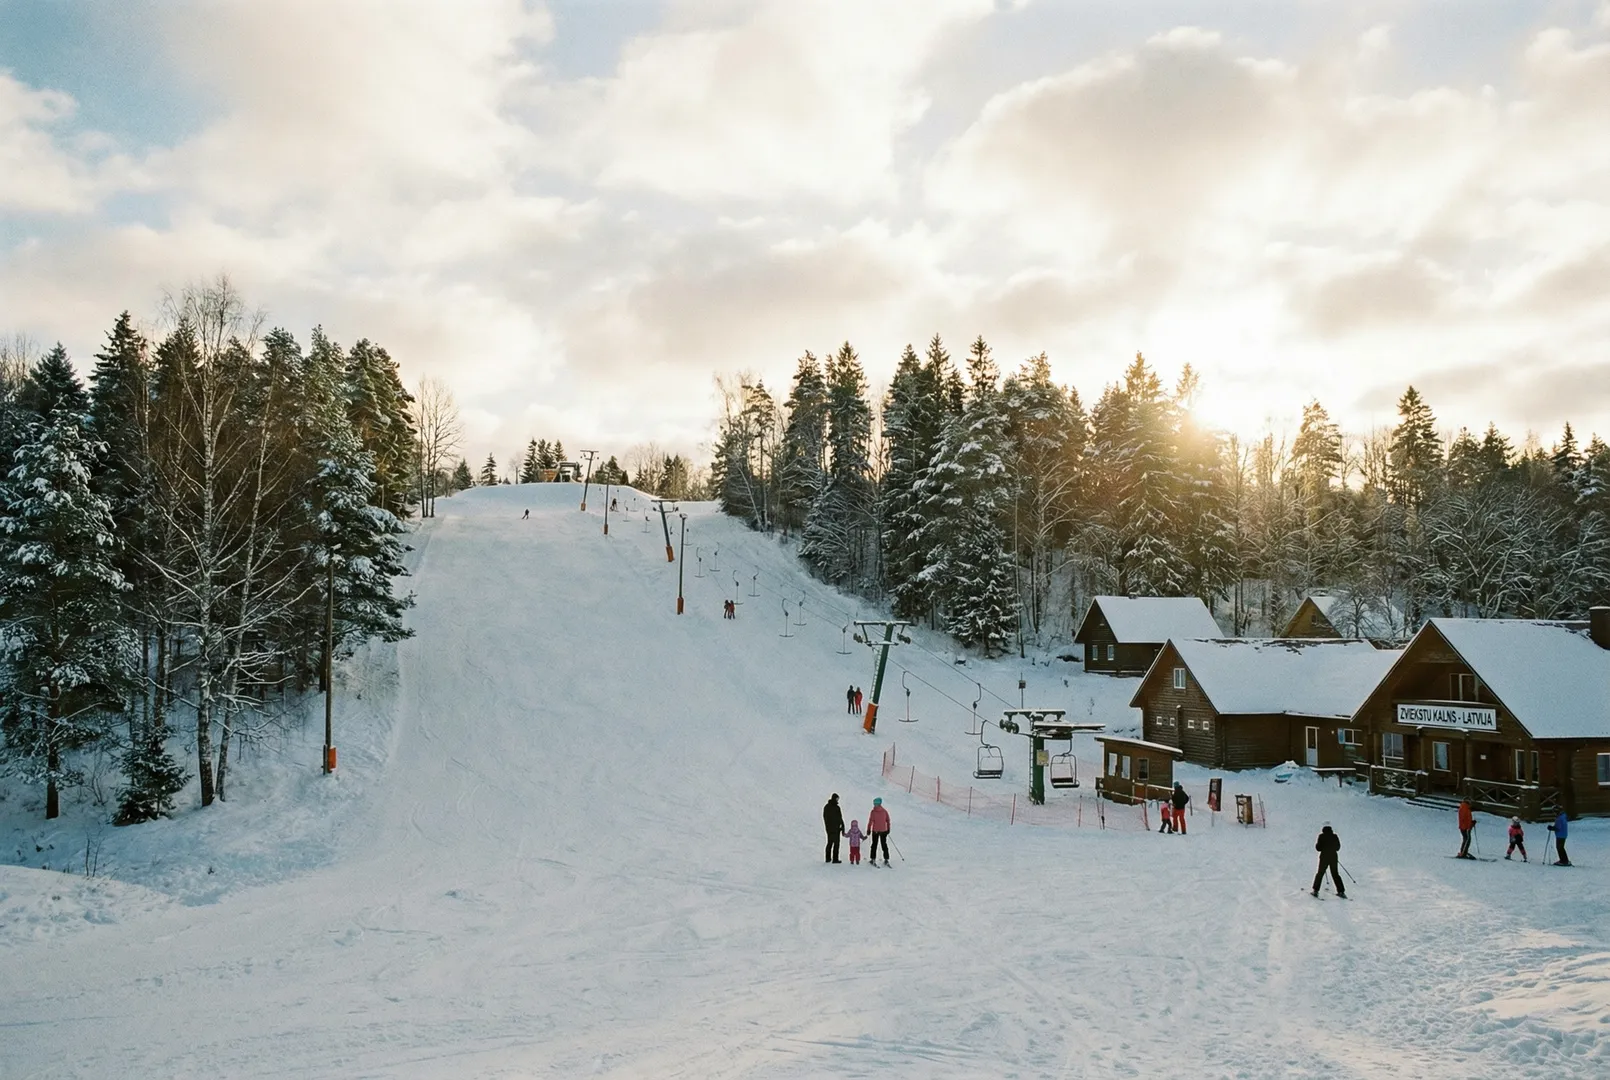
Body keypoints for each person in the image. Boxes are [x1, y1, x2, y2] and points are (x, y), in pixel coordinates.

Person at [1312, 823, 1345, 897]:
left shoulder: (1321, 836)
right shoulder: (1334, 836)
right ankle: (1341, 891)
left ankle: (1315, 890)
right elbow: (1338, 847)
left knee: (1320, 873)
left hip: (1324, 857)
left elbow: (1318, 848)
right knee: (1335, 874)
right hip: (1333, 857)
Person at [867, 797, 892, 866]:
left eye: (875, 804)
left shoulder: (873, 812)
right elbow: (888, 820)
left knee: (874, 845)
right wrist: (888, 829)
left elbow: (870, 821)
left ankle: (873, 859)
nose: (874, 805)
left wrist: (868, 829)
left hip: (875, 831)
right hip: (883, 831)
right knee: (884, 845)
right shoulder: (884, 811)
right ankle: (886, 859)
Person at [823, 793, 844, 864]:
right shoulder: (835, 808)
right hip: (834, 829)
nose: (837, 800)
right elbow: (839, 818)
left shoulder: (827, 807)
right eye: (837, 798)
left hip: (831, 829)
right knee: (835, 844)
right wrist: (841, 826)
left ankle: (828, 858)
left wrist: (842, 826)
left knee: (830, 843)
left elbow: (840, 818)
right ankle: (834, 859)